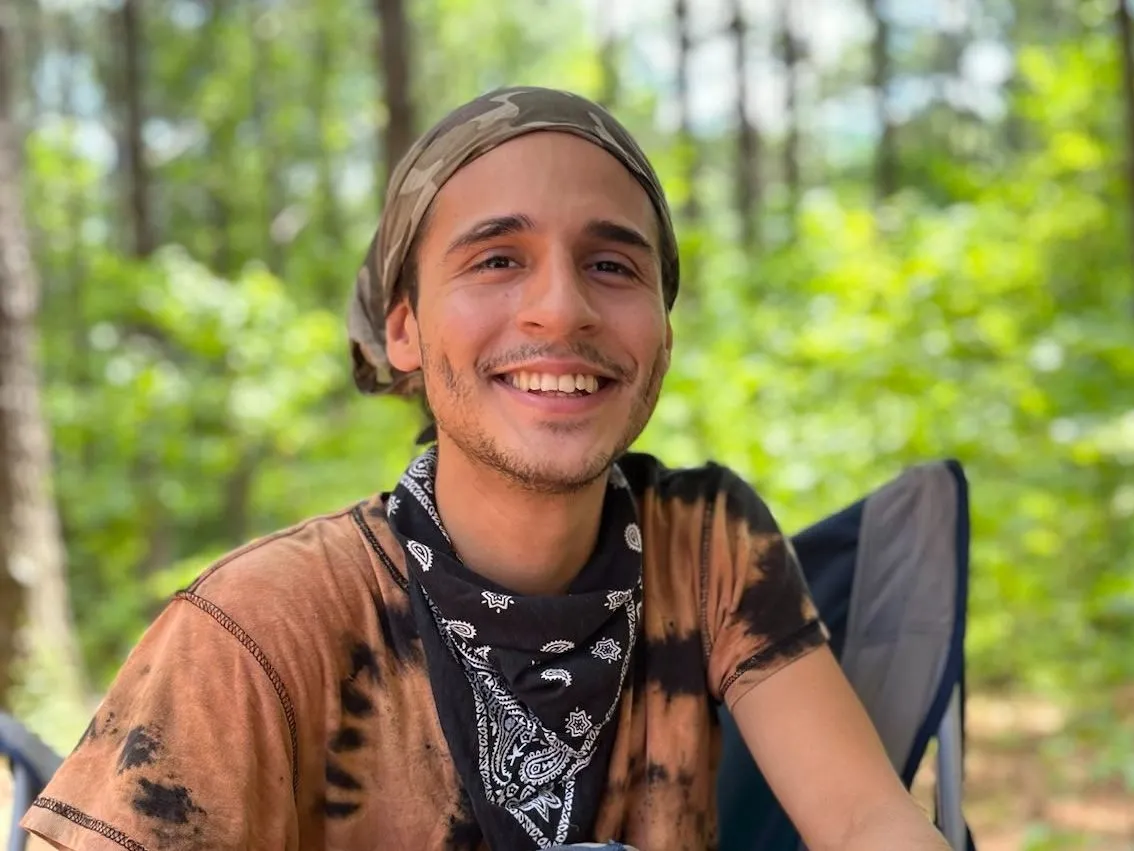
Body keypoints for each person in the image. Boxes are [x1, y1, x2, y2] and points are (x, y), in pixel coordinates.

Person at [22, 87, 951, 851]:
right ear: (404, 328)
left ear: (663, 334)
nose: (560, 309)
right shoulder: (259, 630)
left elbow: (866, 817)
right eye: (498, 259)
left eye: (613, 266)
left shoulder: (703, 545)